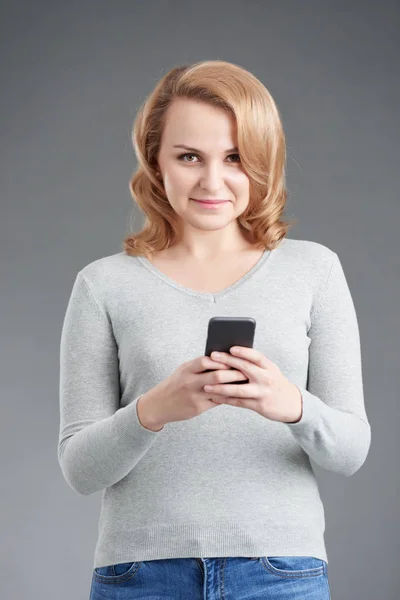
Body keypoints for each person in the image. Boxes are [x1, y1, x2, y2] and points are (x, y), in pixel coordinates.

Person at [58, 60, 371, 599]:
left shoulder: (314, 270)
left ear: (264, 164)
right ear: (156, 161)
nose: (212, 181)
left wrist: (290, 403)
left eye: (235, 159)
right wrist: (152, 411)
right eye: (188, 157)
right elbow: (80, 471)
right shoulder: (103, 284)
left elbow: (351, 449)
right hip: (140, 575)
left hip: (280, 574)